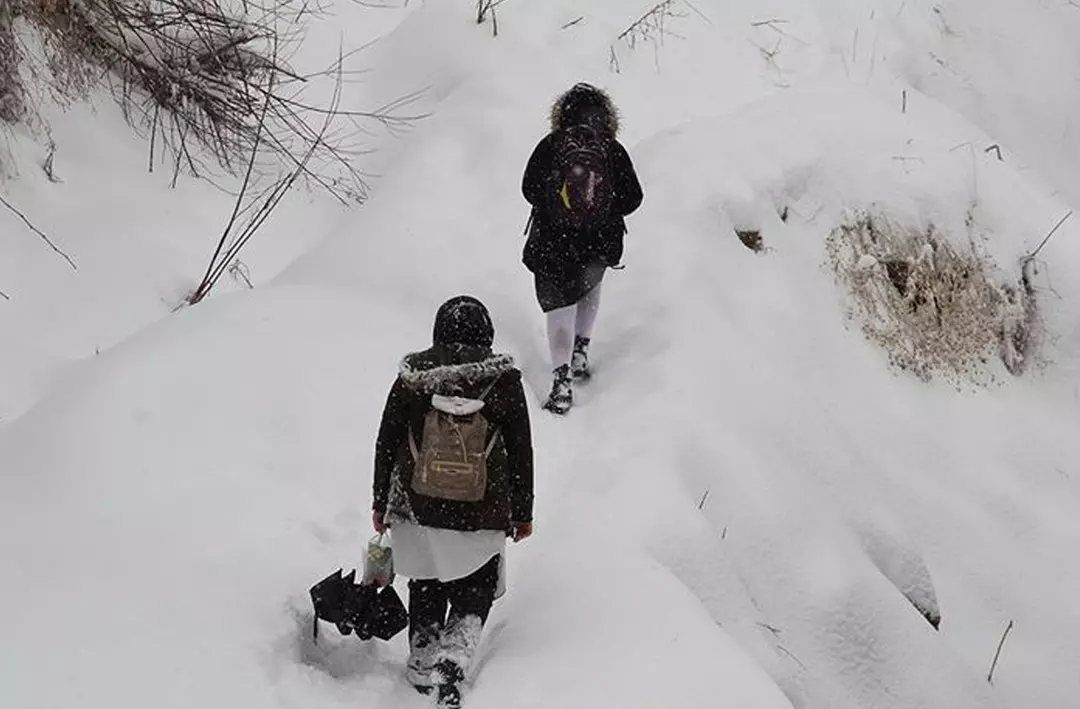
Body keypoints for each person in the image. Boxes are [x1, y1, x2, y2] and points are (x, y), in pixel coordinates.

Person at [372, 295, 534, 708]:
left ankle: (422, 656)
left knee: (426, 577)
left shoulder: (413, 378)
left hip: (417, 504)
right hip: (483, 507)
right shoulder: (504, 382)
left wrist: (379, 501)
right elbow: (520, 449)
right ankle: (454, 659)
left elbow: (387, 440)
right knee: (475, 583)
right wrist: (522, 512)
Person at [521, 82, 644, 414]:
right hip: (597, 242)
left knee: (558, 307)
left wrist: (557, 205)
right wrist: (602, 208)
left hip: (552, 243)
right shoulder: (612, 149)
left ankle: (561, 380)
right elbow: (634, 198)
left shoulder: (551, 145)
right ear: (606, 116)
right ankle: (581, 351)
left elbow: (528, 189)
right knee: (589, 286)